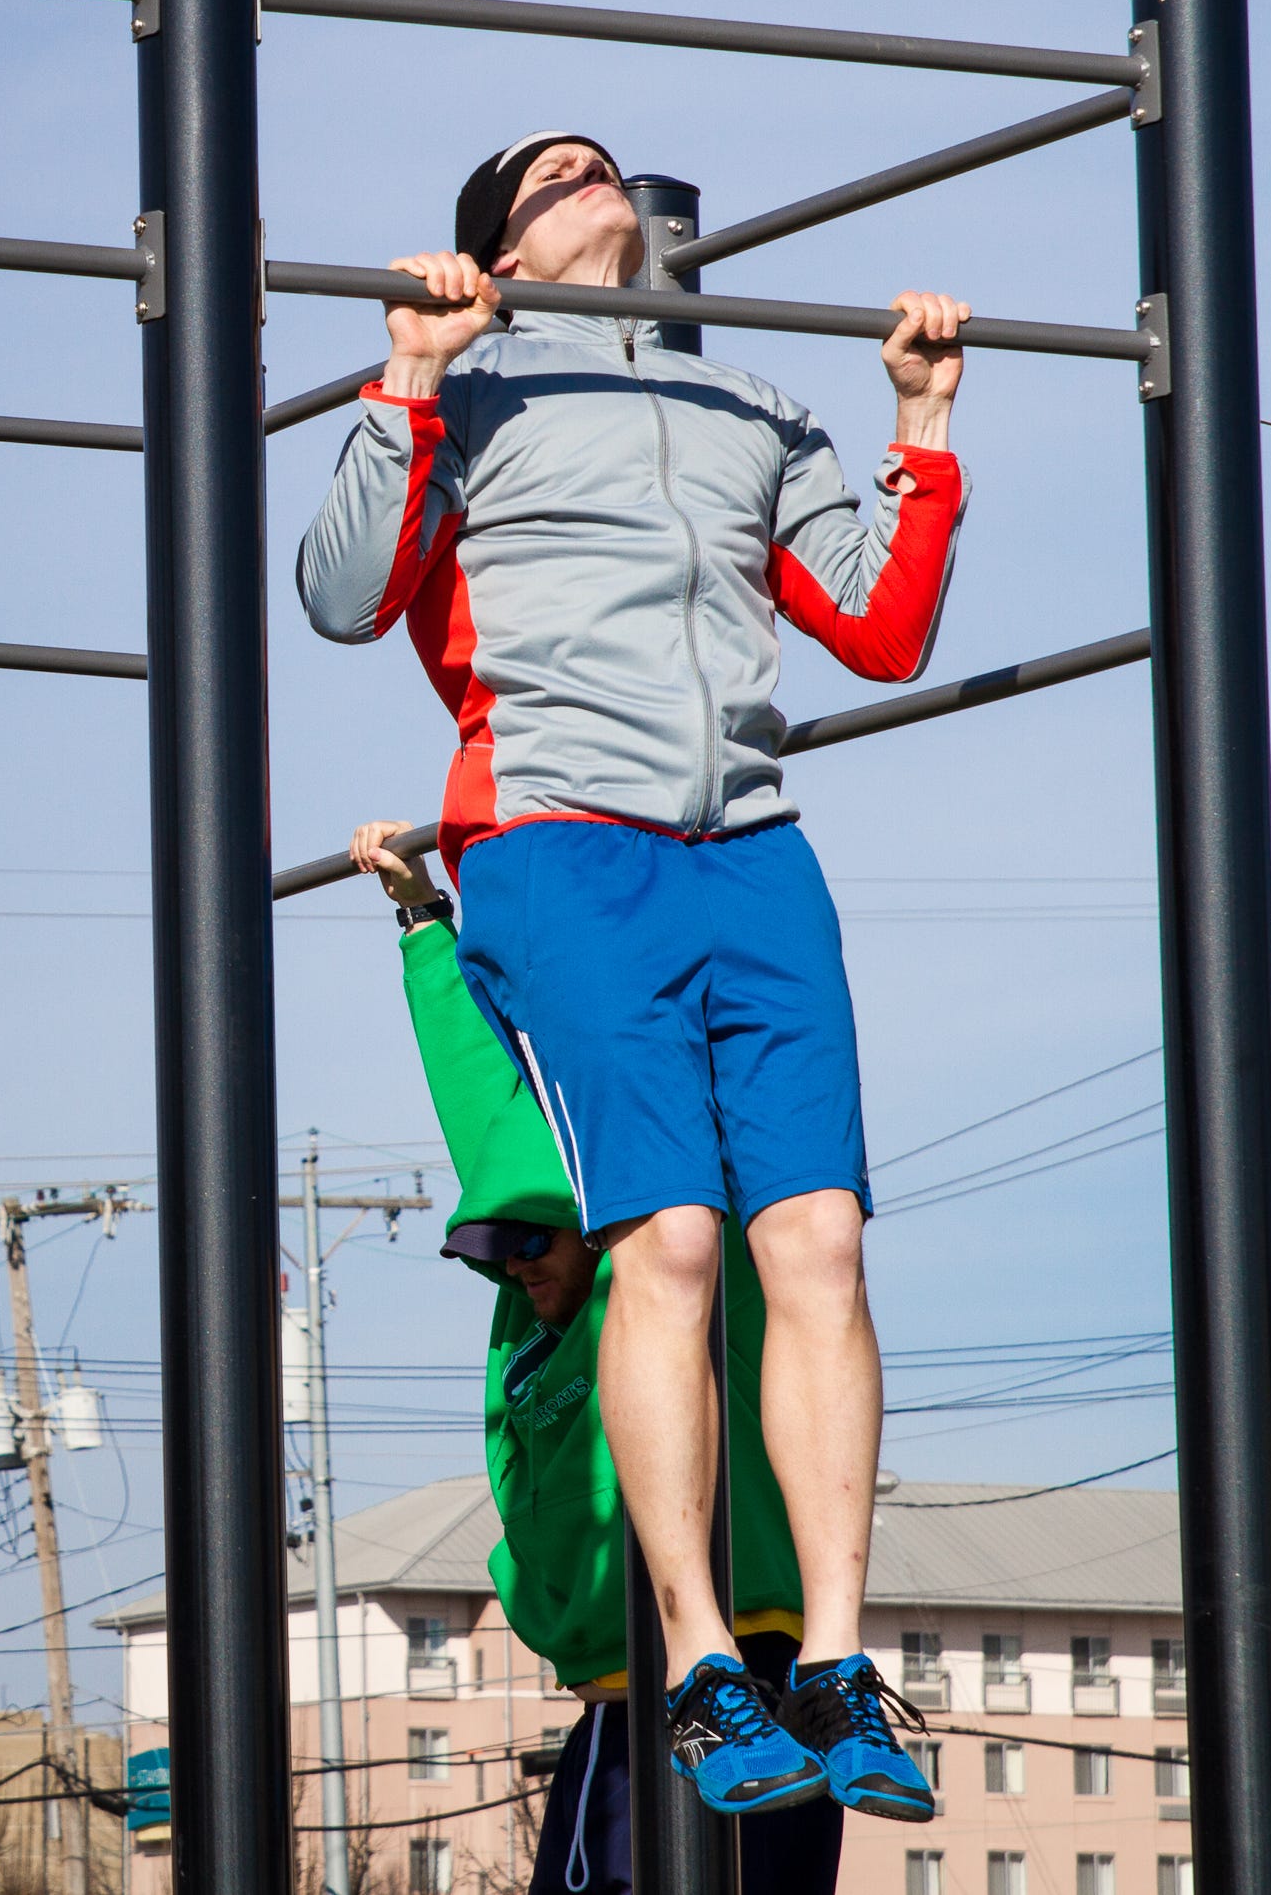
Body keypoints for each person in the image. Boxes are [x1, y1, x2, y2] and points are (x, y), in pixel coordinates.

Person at [300, 131, 969, 1822]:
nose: (605, 177)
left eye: (613, 164)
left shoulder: (752, 403)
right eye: (558, 171)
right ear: (503, 244)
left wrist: (922, 427)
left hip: (750, 847)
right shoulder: (475, 387)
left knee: (816, 1237)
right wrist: (407, 367)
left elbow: (882, 628)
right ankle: (697, 1664)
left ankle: (830, 1652)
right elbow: (341, 592)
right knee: (665, 1239)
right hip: (558, 836)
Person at [348, 818, 845, 1895]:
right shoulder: (530, 1339)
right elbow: (482, 1115)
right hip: (625, 1693)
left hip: (738, 1675)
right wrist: (422, 919)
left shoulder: (670, 1263)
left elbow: (527, 1087)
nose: (517, 1262)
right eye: (497, 1245)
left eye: (536, 1236)